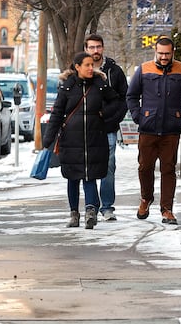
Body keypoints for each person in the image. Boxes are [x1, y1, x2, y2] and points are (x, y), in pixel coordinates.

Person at [43, 52, 126, 229]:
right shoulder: (67, 87)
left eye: (92, 65)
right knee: (73, 178)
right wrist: (48, 139)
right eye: (87, 65)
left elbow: (117, 103)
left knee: (90, 176)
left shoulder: (100, 85)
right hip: (71, 140)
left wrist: (106, 116)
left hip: (95, 138)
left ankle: (90, 211)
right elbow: (57, 113)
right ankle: (74, 213)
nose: (91, 68)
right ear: (77, 67)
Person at [126, 36, 181, 224]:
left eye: (167, 54)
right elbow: (131, 95)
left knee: (168, 169)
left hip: (171, 129)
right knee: (145, 167)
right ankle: (146, 199)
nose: (163, 57)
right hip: (148, 128)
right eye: (160, 53)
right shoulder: (144, 69)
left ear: (173, 52)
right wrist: (139, 116)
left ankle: (167, 209)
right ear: (155, 51)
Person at [84, 33, 128, 221]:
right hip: (86, 128)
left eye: (98, 47)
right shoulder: (79, 69)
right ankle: (91, 205)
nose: (96, 50)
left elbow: (124, 99)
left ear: (103, 48)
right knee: (89, 167)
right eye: (92, 47)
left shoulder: (114, 71)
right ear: (86, 49)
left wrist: (111, 118)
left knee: (108, 166)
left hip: (108, 128)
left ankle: (107, 206)